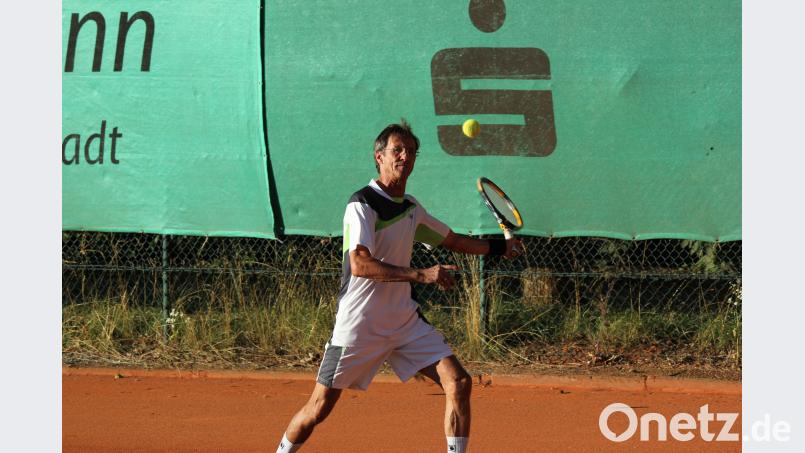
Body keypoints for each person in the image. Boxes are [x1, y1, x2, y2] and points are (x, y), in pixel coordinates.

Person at [275, 120, 522, 453]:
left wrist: (499, 248)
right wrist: (421, 275)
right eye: (397, 150)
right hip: (359, 324)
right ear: (379, 156)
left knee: (459, 382)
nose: (406, 156)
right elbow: (360, 264)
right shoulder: (361, 204)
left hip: (403, 321)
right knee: (318, 408)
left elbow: (452, 240)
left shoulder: (411, 209)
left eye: (412, 151)